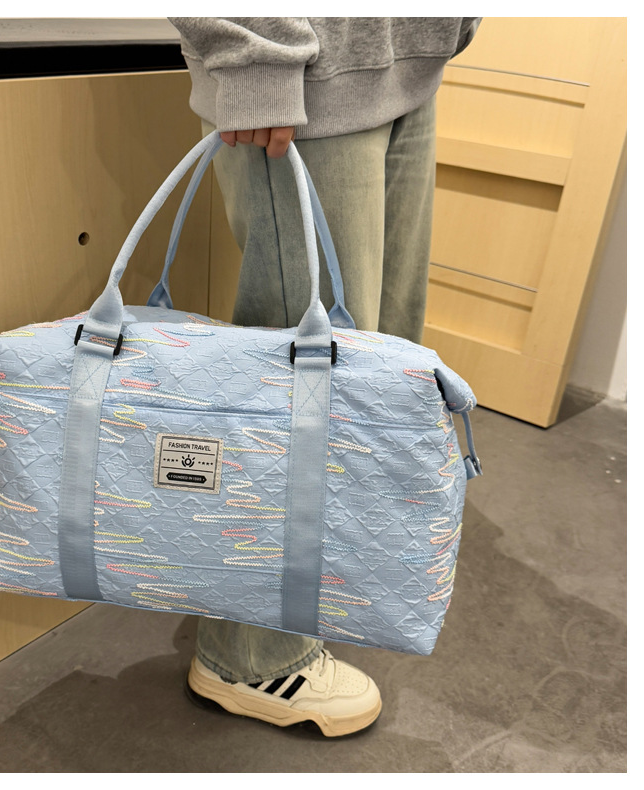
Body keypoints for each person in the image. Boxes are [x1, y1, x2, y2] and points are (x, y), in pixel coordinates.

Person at [168, 16, 481, 737]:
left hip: (403, 67)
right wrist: (255, 56)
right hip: (300, 82)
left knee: (377, 367)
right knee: (300, 390)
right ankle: (248, 656)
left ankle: (322, 581)